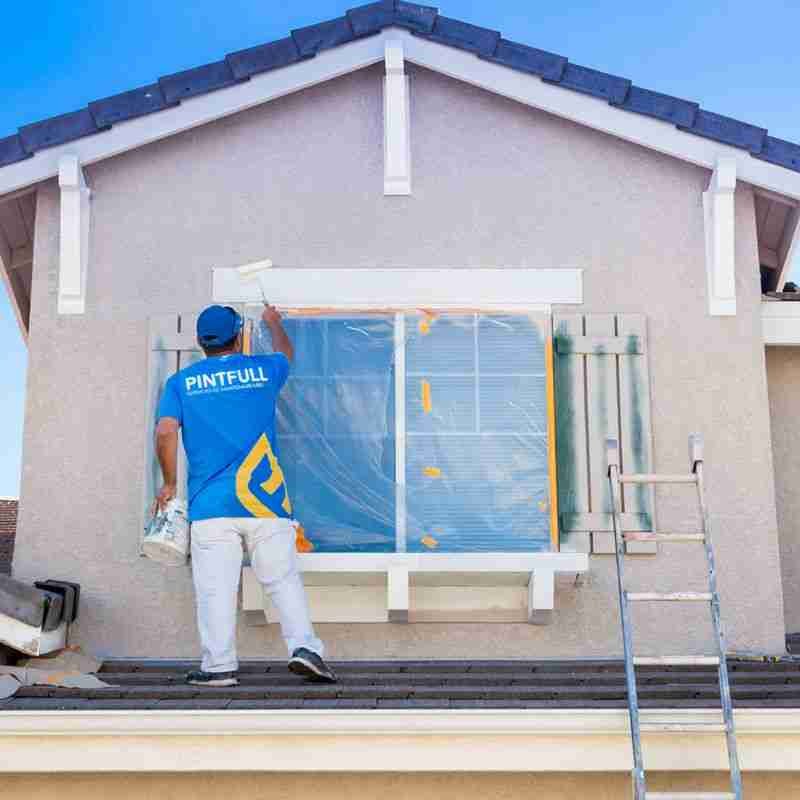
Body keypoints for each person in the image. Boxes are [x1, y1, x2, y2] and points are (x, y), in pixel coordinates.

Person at [154, 303, 336, 686]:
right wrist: (273, 323)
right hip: (265, 501)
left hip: (211, 506)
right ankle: (307, 649)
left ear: (201, 343)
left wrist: (169, 483)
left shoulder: (181, 383)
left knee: (215, 589)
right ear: (239, 336)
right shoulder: (264, 370)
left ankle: (218, 668)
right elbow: (287, 354)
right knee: (282, 579)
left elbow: (166, 431)